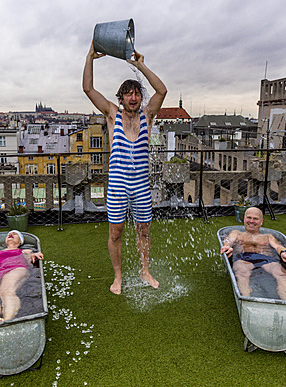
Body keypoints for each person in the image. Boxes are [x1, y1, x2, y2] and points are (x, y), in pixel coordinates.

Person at [83, 42, 167, 295]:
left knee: (144, 231)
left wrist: (140, 65)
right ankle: (118, 276)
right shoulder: (112, 114)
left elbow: (162, 91)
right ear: (121, 98)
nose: (133, 98)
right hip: (118, 186)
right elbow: (87, 88)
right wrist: (89, 57)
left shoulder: (148, 116)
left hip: (141, 185)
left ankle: (145, 271)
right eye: (128, 94)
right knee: (116, 232)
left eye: (137, 94)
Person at [220, 207, 286, 301]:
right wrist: (227, 246)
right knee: (241, 271)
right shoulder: (236, 233)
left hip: (267, 259)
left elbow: (277, 246)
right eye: (249, 218)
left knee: (282, 274)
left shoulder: (268, 236)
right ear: (244, 219)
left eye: (255, 219)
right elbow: (228, 241)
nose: (251, 221)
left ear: (261, 221)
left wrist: (284, 252)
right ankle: (246, 301)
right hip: (244, 258)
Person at [0, 230, 44, 325]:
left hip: (16, 267)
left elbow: (29, 258)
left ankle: (7, 320)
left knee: (6, 290)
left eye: (15, 234)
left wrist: (34, 255)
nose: (11, 234)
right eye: (9, 234)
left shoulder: (25, 251)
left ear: (20, 242)